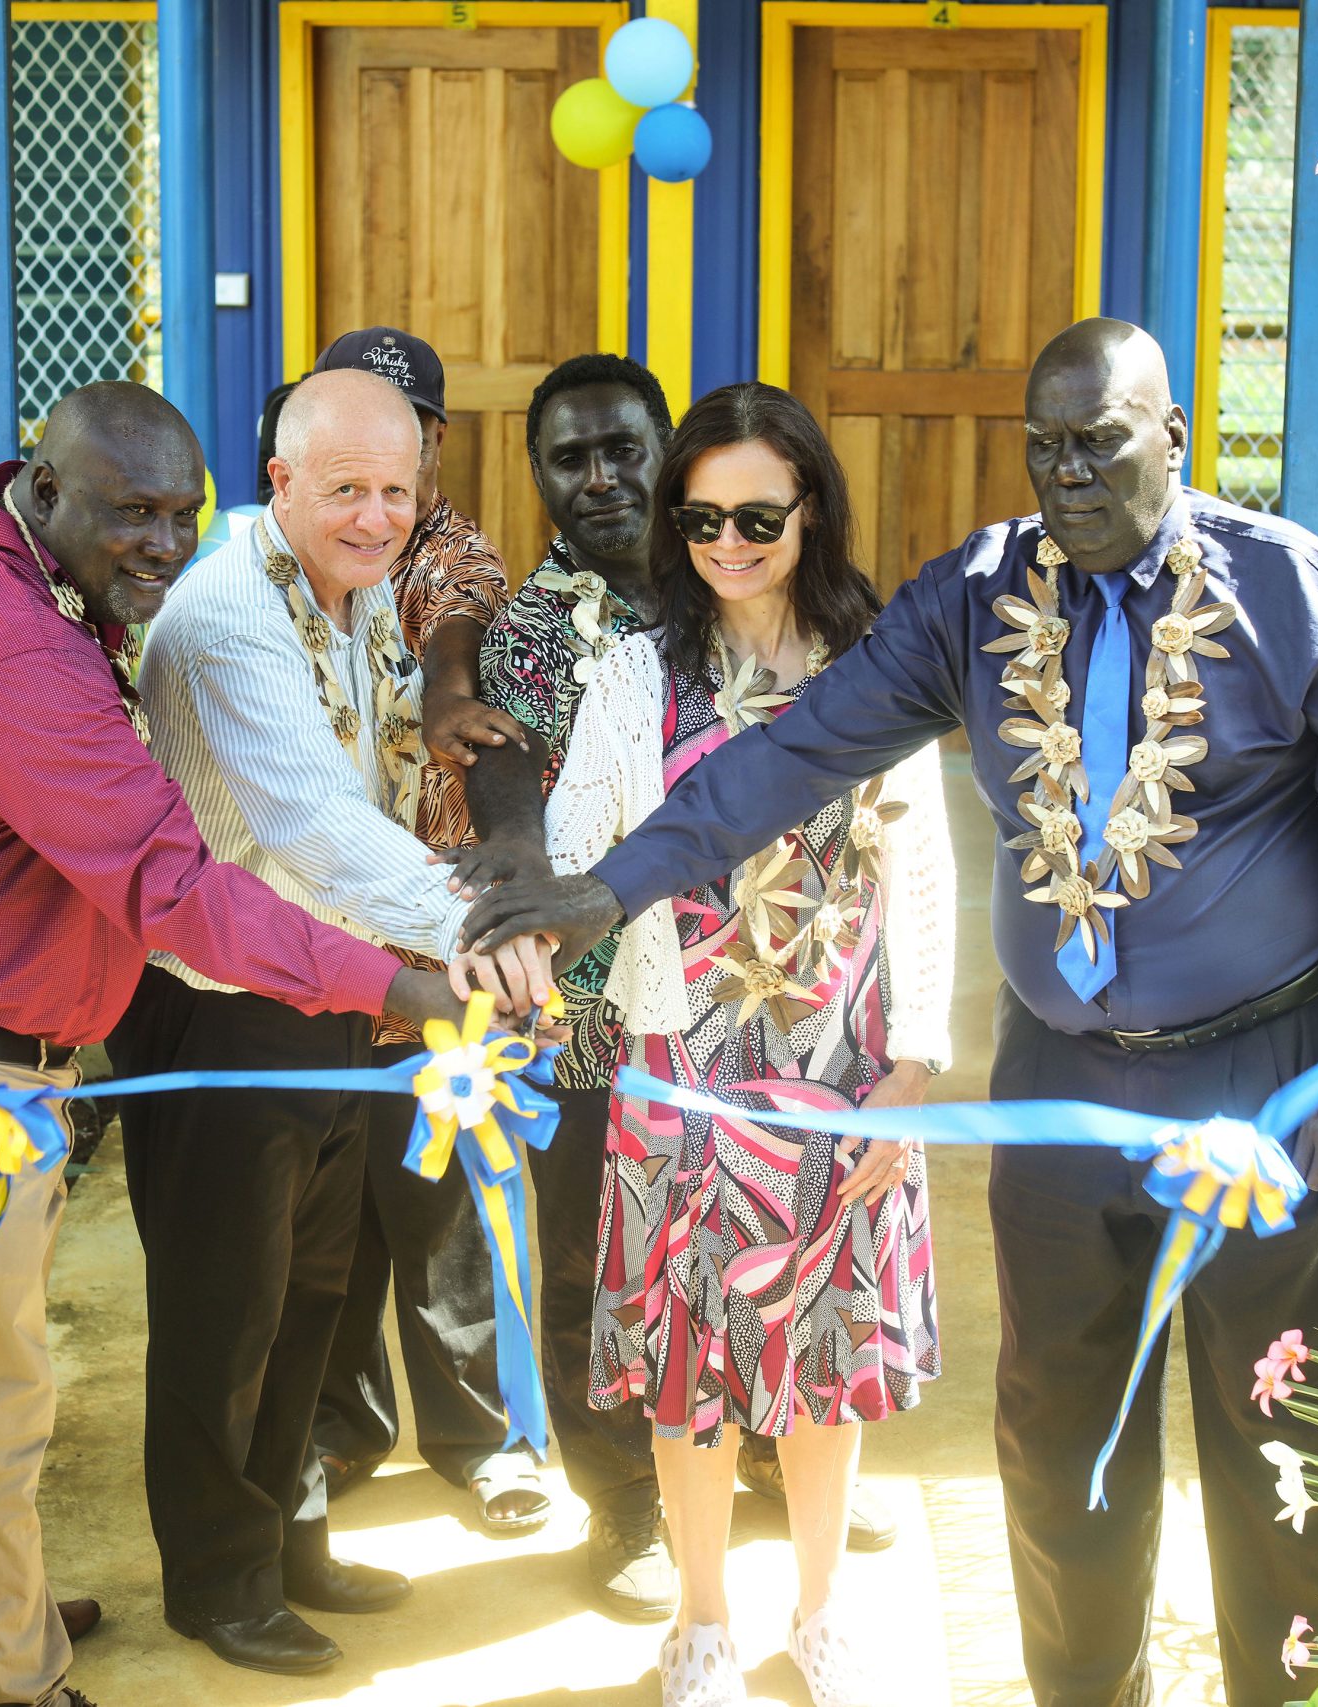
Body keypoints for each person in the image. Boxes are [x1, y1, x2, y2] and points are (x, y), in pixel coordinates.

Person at [460, 320, 1318, 1707]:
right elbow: (794, 752)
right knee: (1057, 1447)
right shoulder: (984, 594)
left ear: (1172, 430)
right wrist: (602, 894)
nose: (1069, 475)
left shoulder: (1296, 593)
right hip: (1057, 1084)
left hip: (1266, 1077)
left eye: (1100, 440)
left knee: (1274, 1433)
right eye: (1043, 447)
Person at [0, 382, 471, 1707]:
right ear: (47, 489)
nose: (161, 541)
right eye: (131, 512)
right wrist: (396, 986)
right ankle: (20, 1681)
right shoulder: (13, 647)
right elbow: (175, 887)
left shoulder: (19, 563)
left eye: (182, 513)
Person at [113, 368, 551, 1678]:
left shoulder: (347, 588)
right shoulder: (228, 615)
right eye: (347, 488)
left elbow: (379, 753)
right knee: (223, 1306)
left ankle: (288, 1536)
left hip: (329, 992)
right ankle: (217, 1577)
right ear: (283, 480)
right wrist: (475, 928)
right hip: (219, 1009)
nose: (375, 515)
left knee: (314, 1289)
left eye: (397, 491)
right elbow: (309, 819)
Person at [461, 354, 901, 1624]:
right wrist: (512, 915)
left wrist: (904, 1030)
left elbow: (901, 833)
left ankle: (789, 1495)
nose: (602, 478)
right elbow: (532, 804)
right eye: (568, 457)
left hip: (803, 1031)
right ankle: (632, 1524)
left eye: (623, 451)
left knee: (791, 1270)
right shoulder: (559, 640)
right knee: (631, 1288)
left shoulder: (809, 617)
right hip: (627, 1020)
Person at [537, 381, 953, 1707]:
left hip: (844, 1068)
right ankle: (704, 1623)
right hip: (684, 1069)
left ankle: (821, 1613)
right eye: (700, 515)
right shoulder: (631, 673)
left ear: (810, 506)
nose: (726, 540)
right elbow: (575, 855)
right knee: (687, 1372)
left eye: (757, 514)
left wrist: (919, 1063)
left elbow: (927, 871)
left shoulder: (877, 661)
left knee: (824, 1370)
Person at [295, 327, 552, 1535]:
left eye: (405, 436)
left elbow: (457, 628)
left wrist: (451, 692)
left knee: (447, 1195)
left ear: (435, 442)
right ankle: (345, 1426)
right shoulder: (289, 565)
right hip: (308, 943)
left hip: (427, 943)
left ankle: (483, 1439)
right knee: (328, 1203)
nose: (378, 484)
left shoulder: (451, 555)